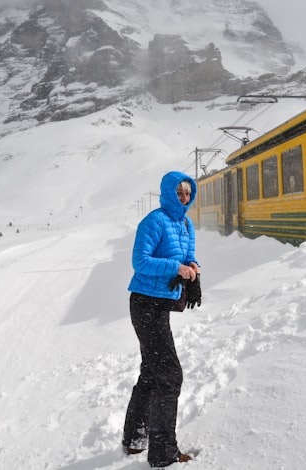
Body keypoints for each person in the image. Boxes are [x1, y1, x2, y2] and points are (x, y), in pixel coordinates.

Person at [122, 171, 200, 467]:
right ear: (167, 193)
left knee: (152, 372)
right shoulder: (154, 221)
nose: (183, 198)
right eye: (178, 193)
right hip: (145, 305)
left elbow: (189, 256)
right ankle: (162, 452)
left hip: (160, 305)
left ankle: (135, 438)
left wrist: (194, 270)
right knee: (170, 375)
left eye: (187, 193)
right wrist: (176, 269)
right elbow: (139, 261)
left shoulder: (185, 223)